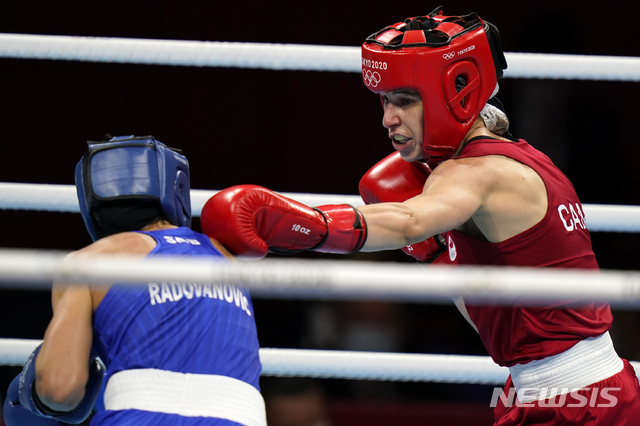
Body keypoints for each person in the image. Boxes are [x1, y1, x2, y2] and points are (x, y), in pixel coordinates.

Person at [199, 6, 640, 426]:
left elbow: (408, 221)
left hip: (577, 399)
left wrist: (302, 225)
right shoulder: (520, 158)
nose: (389, 119)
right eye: (385, 101)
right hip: (556, 387)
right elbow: (498, 323)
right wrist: (435, 257)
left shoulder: (476, 173)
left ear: (457, 90)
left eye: (405, 100)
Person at [3, 135, 266, 426]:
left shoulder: (91, 262)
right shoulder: (225, 256)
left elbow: (59, 389)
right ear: (175, 186)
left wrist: (40, 397)